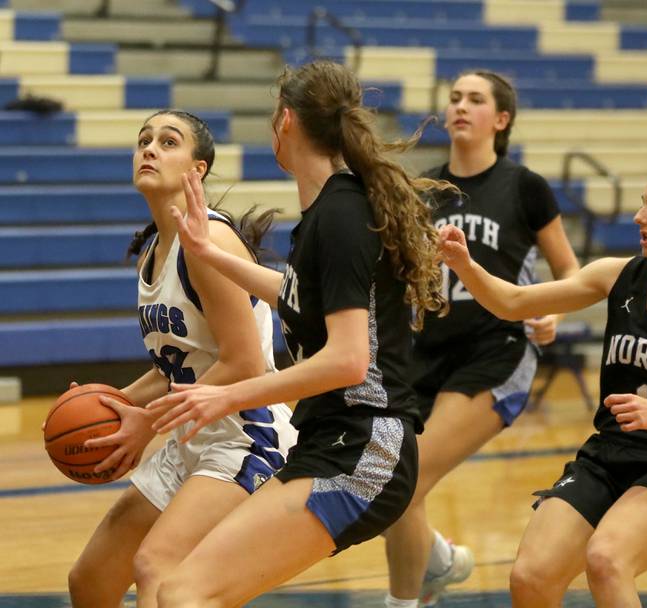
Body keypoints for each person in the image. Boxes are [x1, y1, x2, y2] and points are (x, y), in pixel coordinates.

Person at [143, 60, 457, 606]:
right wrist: (209, 252)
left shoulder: (339, 214)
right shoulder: (326, 211)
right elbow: (292, 293)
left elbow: (347, 360)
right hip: (333, 440)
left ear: (285, 121)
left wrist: (226, 395)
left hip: (364, 446)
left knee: (184, 593)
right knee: (178, 589)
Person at [438, 165, 647, 606]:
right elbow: (512, 303)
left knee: (607, 561)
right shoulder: (618, 274)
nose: (638, 216)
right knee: (531, 577)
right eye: (641, 203)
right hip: (609, 454)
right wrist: (466, 265)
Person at [67, 110, 297, 607]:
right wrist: (108, 403)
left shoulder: (207, 241)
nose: (149, 148)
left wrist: (147, 424)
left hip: (246, 435)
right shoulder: (155, 247)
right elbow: (176, 363)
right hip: (195, 434)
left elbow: (243, 363)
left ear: (199, 170)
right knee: (91, 579)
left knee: (157, 568)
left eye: (168, 142)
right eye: (143, 140)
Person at [382, 70, 580, 608]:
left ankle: (404, 601)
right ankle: (439, 561)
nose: (460, 107)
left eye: (475, 99)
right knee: (386, 483)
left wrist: (553, 314)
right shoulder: (422, 189)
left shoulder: (525, 187)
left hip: (496, 350)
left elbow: (568, 270)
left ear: (501, 119)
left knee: (408, 478)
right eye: (453, 98)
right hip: (426, 351)